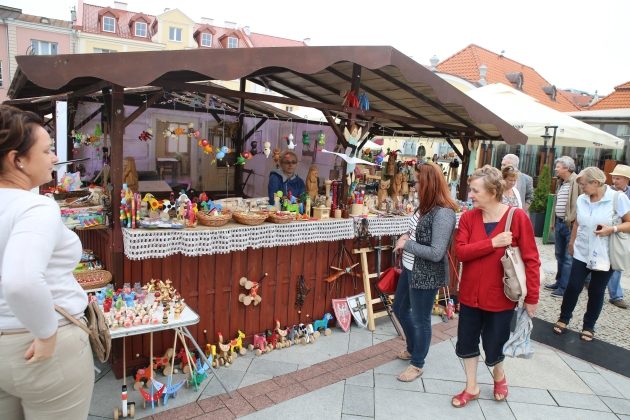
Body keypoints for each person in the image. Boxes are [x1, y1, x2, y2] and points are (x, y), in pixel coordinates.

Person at [0, 105, 94, 419]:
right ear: (18, 160)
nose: (54, 157)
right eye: (47, 150)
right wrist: (46, 334)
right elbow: (21, 281)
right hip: (40, 349)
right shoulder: (35, 207)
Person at [452, 165, 540, 408]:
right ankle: (472, 387)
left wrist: (532, 297)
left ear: (492, 191)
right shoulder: (469, 217)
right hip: (470, 295)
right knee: (467, 343)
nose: (470, 195)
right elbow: (460, 253)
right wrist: (492, 243)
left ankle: (498, 375)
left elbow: (532, 259)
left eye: (475, 190)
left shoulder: (517, 217)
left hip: (501, 297)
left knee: (494, 344)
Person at [392, 162, 458, 382]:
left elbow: (437, 252)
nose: (415, 185)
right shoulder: (425, 206)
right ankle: (413, 347)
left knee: (421, 319)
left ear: (429, 183)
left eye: (419, 181)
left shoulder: (444, 213)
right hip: (410, 268)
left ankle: (417, 362)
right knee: (399, 309)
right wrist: (405, 238)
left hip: (426, 274)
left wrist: (405, 244)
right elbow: (415, 232)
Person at [553, 167, 630, 341]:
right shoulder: (582, 199)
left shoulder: (618, 198)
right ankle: (563, 318)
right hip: (582, 251)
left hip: (605, 254)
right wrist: (572, 242)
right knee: (573, 286)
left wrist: (613, 228)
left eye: (583, 184)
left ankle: (589, 326)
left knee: (596, 290)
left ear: (595, 183)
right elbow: (577, 223)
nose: (581, 188)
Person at [546, 156, 580, 298]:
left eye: (558, 166)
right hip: (559, 223)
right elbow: (557, 203)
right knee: (559, 255)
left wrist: (574, 222)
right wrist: (553, 222)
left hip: (569, 224)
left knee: (567, 257)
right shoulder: (562, 182)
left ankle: (564, 287)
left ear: (566, 168)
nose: (556, 169)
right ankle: (559, 281)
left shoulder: (576, 181)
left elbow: (579, 204)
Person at [607, 164, 630, 309]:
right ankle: (616, 295)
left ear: (627, 179)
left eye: (618, 178)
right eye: (613, 178)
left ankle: (615, 295)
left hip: (624, 233)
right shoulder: (608, 192)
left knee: (617, 263)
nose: (614, 181)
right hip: (608, 232)